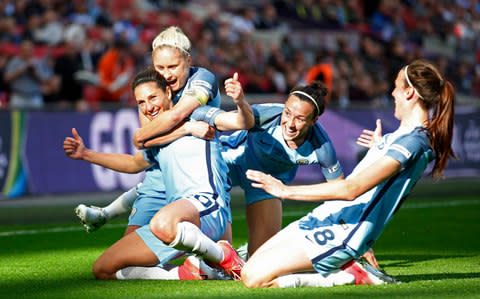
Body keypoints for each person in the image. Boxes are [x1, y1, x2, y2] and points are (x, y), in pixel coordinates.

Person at [241, 59, 456, 288]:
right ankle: (345, 269)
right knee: (250, 267)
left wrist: (284, 190)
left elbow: (351, 190)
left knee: (253, 277)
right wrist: (380, 145)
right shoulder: (400, 139)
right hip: (328, 217)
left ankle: (348, 275)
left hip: (344, 230)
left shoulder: (414, 142)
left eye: (396, 86)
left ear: (410, 93)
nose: (392, 93)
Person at [64, 67, 252, 280]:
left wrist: (239, 101)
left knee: (161, 223)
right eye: (141, 103)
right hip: (178, 217)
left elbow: (241, 122)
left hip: (206, 208)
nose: (148, 107)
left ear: (169, 93)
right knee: (104, 269)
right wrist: (85, 153)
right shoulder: (158, 139)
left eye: (152, 97)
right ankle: (187, 272)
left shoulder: (197, 115)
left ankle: (224, 255)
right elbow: (133, 163)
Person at [3, 39, 55, 109]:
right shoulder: (14, 61)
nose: (27, 52)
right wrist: (22, 69)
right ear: (21, 50)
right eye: (25, 50)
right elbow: (6, 78)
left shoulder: (37, 62)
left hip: (35, 96)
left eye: (29, 50)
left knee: (36, 119)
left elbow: (45, 81)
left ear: (32, 50)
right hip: (18, 96)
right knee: (17, 119)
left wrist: (34, 72)